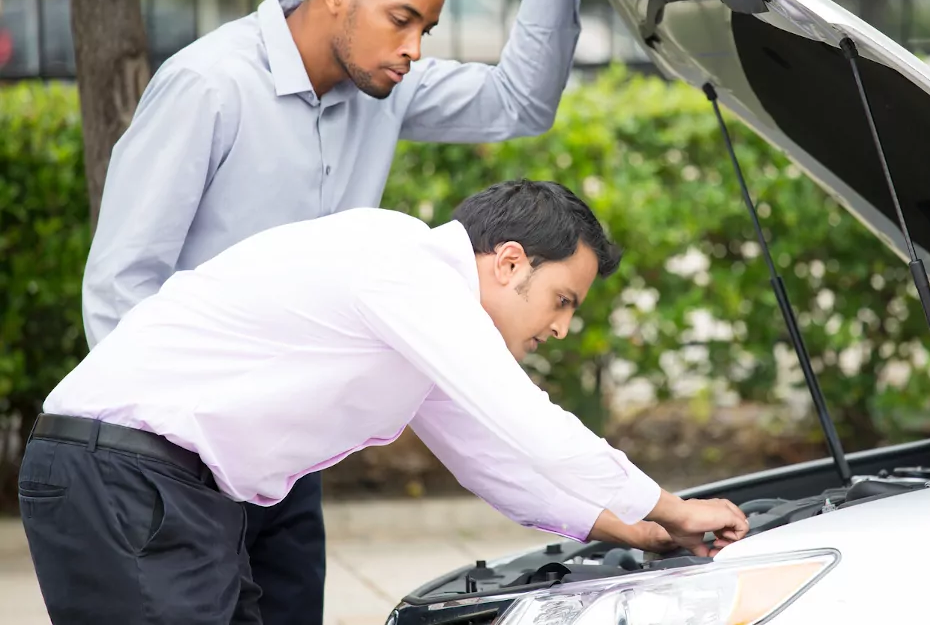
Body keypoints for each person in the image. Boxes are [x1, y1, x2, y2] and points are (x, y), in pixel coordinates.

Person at [77, 0, 637, 623]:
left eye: (427, 30)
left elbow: (519, 103)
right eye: (401, 20)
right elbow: (123, 281)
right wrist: (165, 460)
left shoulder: (387, 86)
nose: (413, 48)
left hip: (285, 458)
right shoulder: (208, 86)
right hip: (178, 455)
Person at [20, 180, 750, 625]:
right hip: (122, 477)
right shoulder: (404, 266)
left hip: (177, 495)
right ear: (508, 262)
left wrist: (627, 529)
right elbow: (532, 428)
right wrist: (675, 509)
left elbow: (494, 458)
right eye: (563, 300)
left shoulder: (423, 319)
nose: (560, 326)